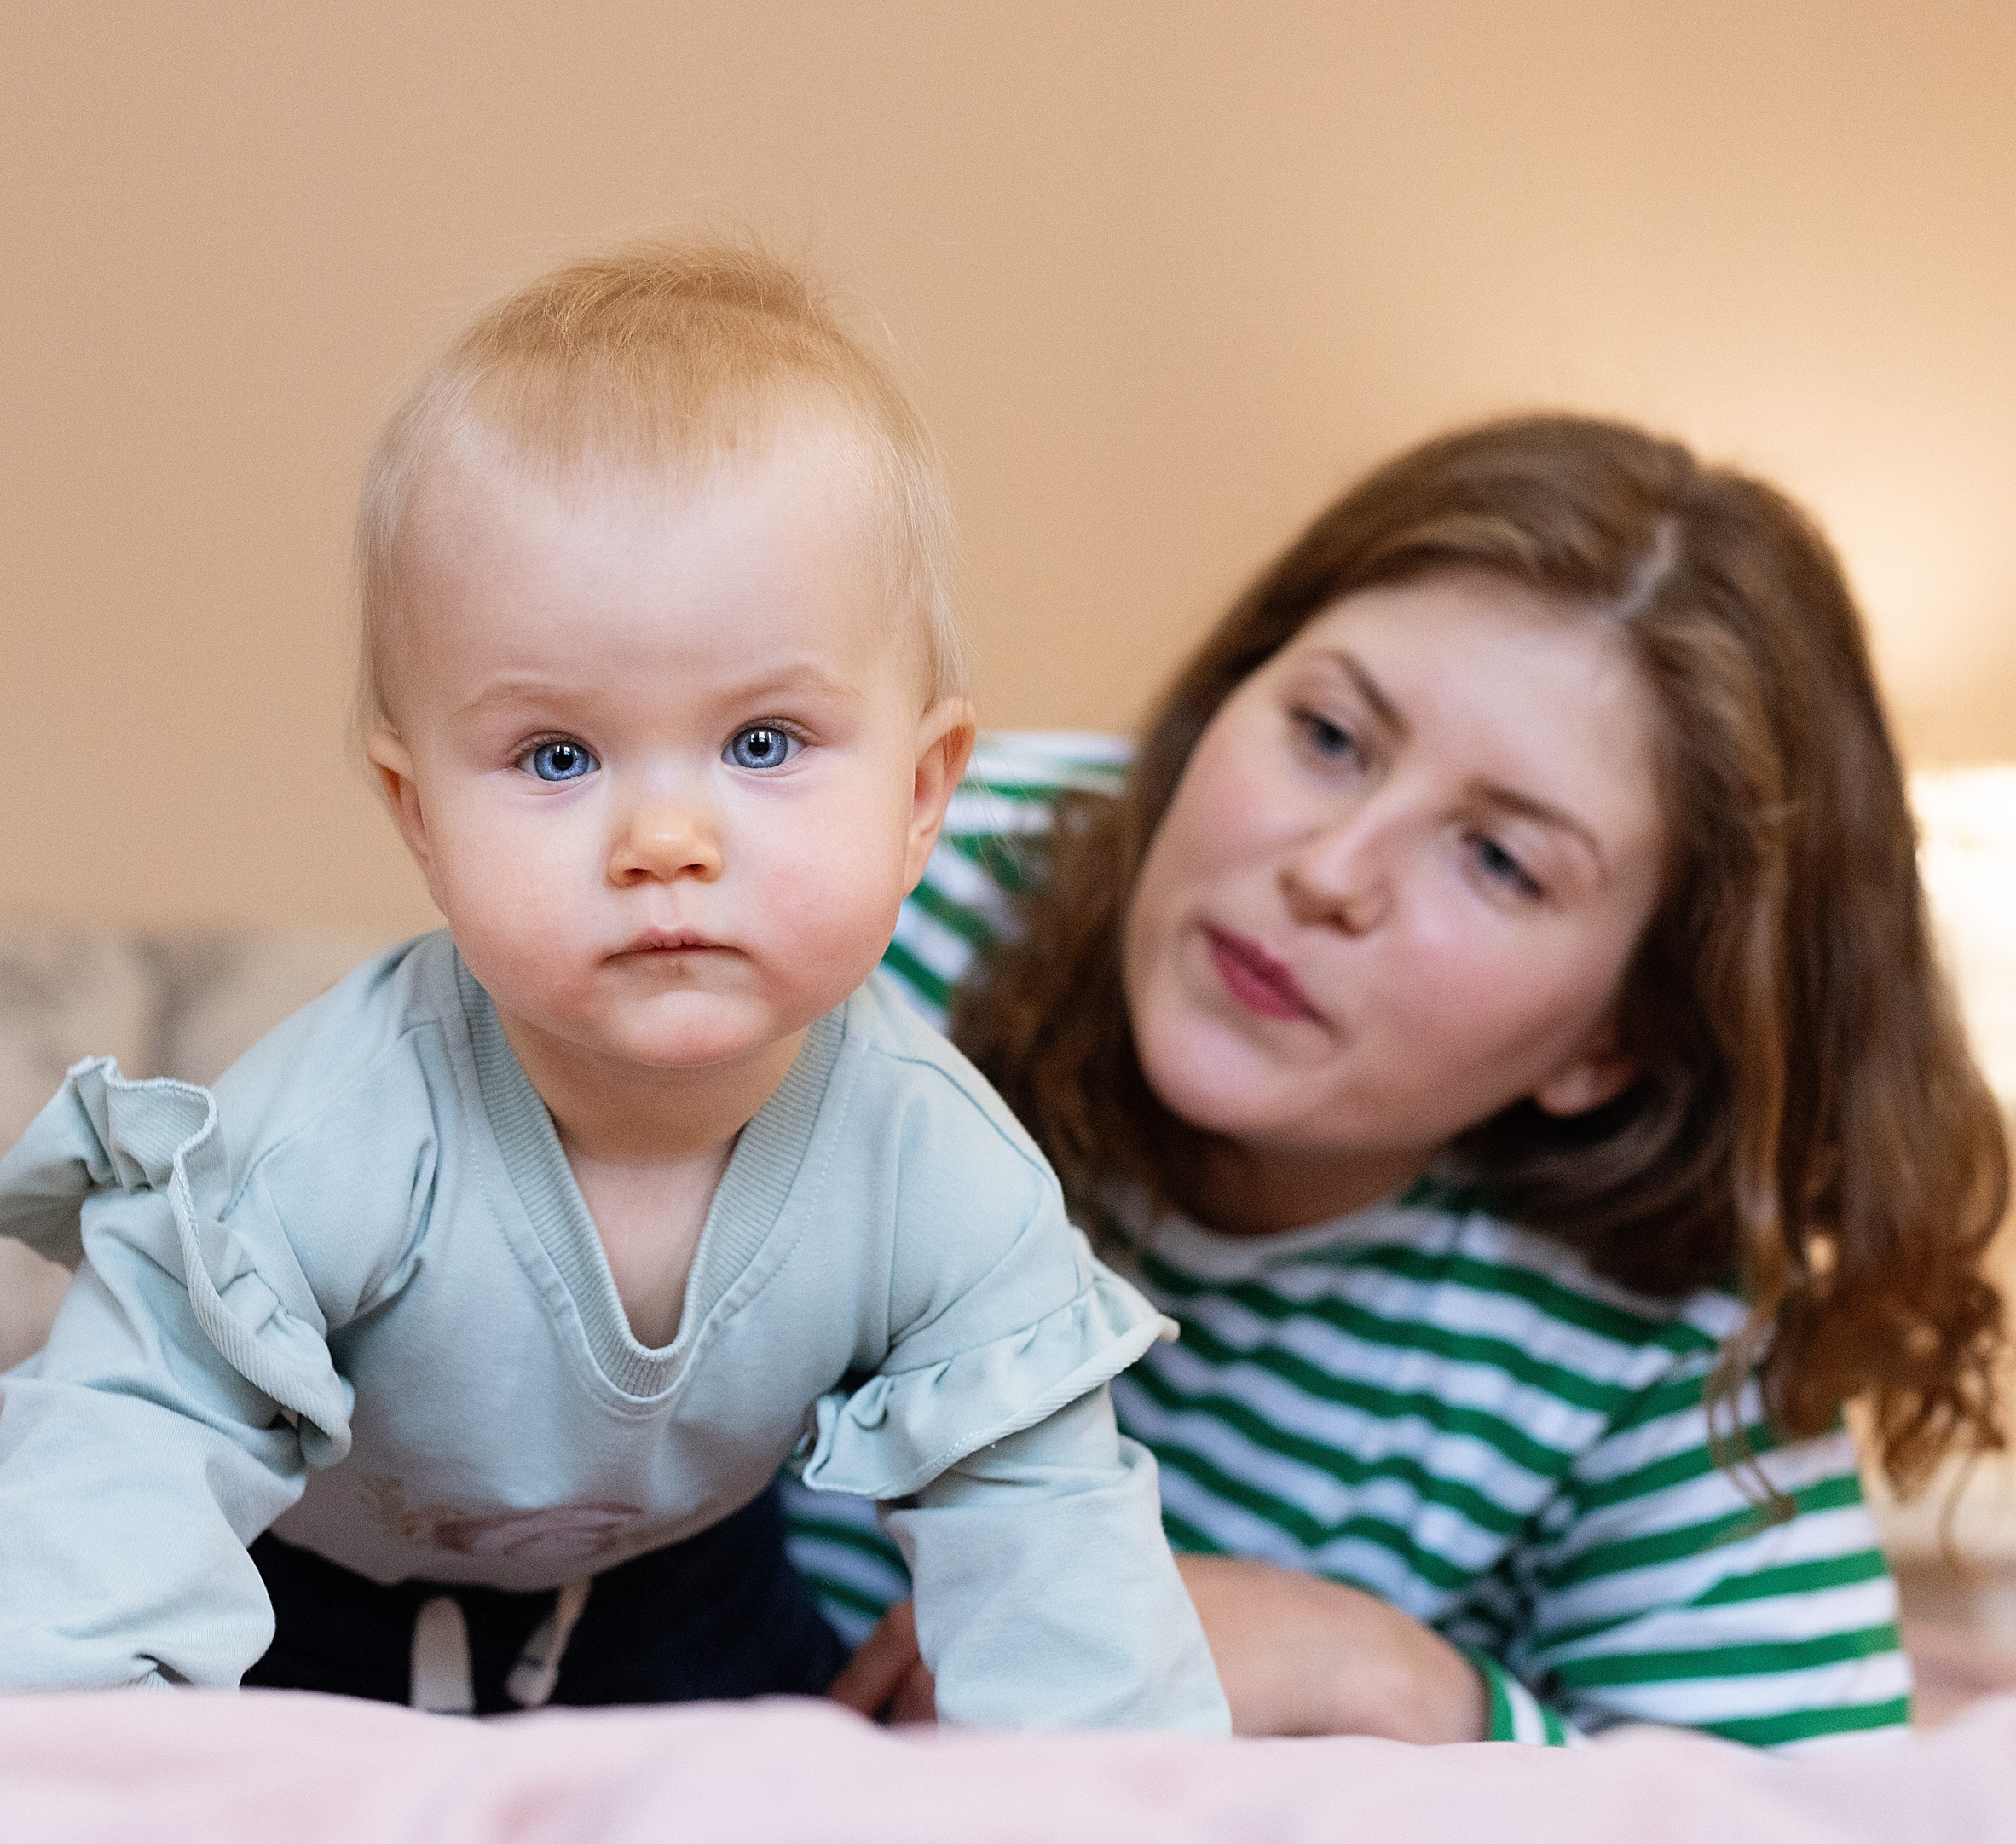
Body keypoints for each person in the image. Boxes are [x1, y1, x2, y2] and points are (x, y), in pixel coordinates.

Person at [0, 240, 1227, 1733]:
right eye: (559, 757)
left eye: (764, 743)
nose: (665, 842)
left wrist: (1125, 1791)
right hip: (275, 1575)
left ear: (926, 788)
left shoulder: (932, 1166)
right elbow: (137, 1436)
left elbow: (1059, 1570)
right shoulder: (344, 1129)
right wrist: (76, 1742)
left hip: (673, 1586)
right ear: (419, 813)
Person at [790, 413, 2008, 1747]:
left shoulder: (1663, 1329)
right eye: (1327, 735)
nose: (1331, 870)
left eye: (1498, 861)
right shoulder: (877, 901)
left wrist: (1371, 1677)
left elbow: (1806, 1808)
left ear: (1620, 1040)